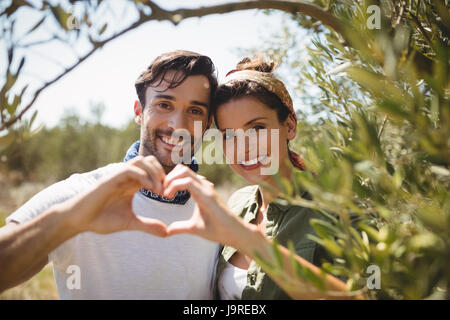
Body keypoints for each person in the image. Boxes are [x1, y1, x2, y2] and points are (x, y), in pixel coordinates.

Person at [0, 50, 221, 299]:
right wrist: (69, 221)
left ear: (208, 123)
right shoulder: (82, 193)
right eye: (164, 105)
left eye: (195, 111)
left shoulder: (216, 210)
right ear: (139, 111)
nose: (178, 124)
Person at [162, 57, 364, 299]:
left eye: (257, 128)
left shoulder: (340, 211)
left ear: (289, 125)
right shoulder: (236, 203)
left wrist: (253, 242)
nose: (244, 148)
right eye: (229, 135)